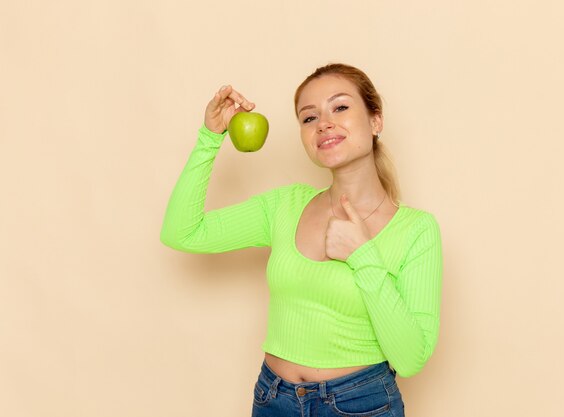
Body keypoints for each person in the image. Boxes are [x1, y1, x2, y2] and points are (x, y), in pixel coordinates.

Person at [160, 63, 443, 417]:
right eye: (309, 118)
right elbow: (182, 231)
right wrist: (209, 137)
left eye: (340, 107)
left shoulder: (416, 229)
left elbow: (411, 358)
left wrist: (362, 256)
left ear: (375, 121)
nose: (323, 123)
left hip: (361, 404)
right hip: (273, 399)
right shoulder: (284, 205)